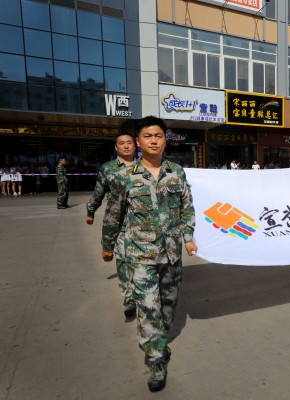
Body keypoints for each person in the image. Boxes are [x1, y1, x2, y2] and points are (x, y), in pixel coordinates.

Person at [101, 116, 197, 392]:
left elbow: (187, 208)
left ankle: (158, 340)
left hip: (172, 255)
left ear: (165, 140)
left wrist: (188, 238)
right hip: (140, 255)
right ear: (138, 142)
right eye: (148, 136)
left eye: (158, 135)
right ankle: (155, 359)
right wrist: (108, 245)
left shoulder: (177, 172)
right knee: (148, 308)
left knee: (167, 308)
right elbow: (113, 214)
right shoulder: (124, 177)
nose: (154, 140)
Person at [85, 132, 136, 318]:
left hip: (144, 225)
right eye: (122, 143)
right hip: (120, 225)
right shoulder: (108, 169)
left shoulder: (146, 167)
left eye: (129, 143)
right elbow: (99, 193)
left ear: (135, 145)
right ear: (116, 147)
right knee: (123, 262)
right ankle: (129, 299)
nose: (126, 146)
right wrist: (90, 210)